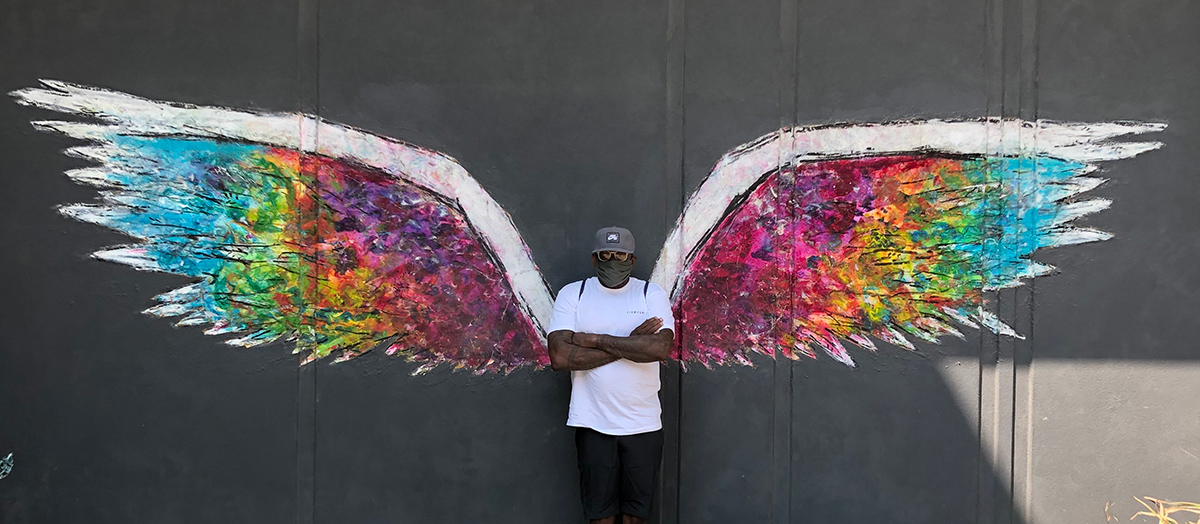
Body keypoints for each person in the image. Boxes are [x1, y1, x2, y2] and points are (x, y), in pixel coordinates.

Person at [546, 226, 676, 524]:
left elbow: (658, 348)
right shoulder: (574, 294)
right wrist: (630, 342)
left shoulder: (650, 294)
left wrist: (595, 340)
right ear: (594, 259)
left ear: (632, 260)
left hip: (643, 426)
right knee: (599, 517)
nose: (612, 260)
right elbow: (560, 356)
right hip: (593, 425)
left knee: (636, 517)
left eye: (620, 255)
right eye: (605, 254)